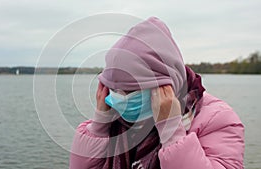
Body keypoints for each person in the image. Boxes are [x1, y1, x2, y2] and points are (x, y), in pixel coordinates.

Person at [69, 17, 244, 169]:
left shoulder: (217, 120)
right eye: (115, 89)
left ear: (166, 85)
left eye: (132, 90)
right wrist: (99, 126)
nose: (122, 98)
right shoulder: (114, 120)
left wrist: (171, 131)